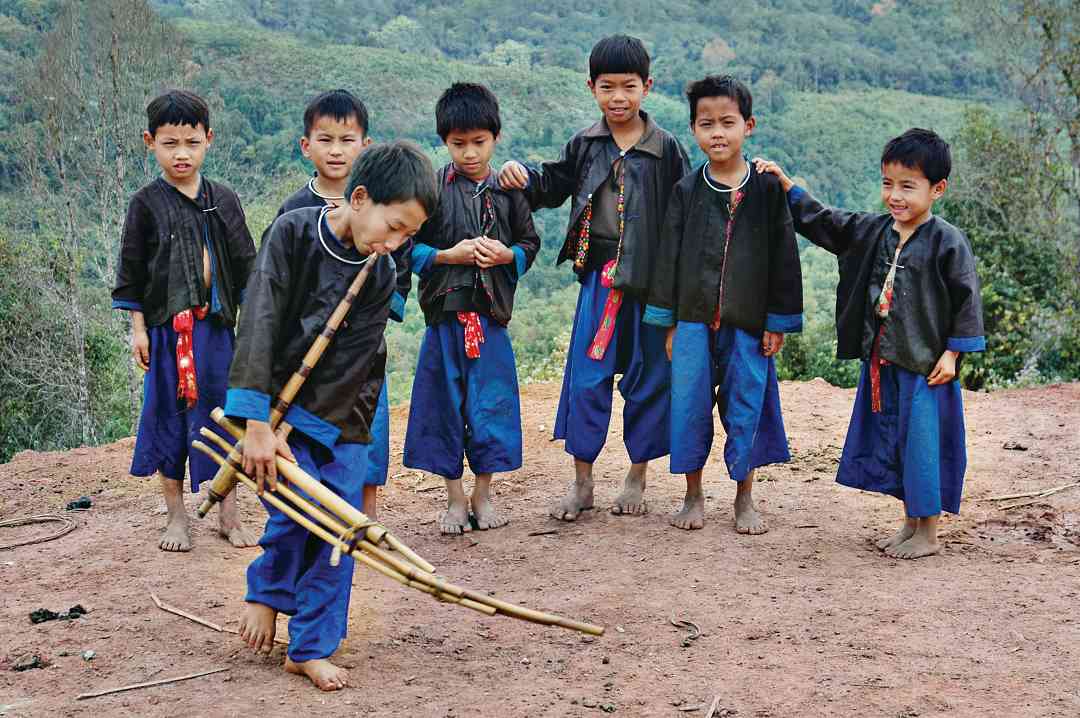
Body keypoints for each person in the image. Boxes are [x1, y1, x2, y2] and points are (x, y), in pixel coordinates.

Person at [227, 141, 437, 689]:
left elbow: (352, 364)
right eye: (392, 227)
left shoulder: (382, 272)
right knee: (292, 509)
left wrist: (293, 429)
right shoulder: (293, 234)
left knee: (339, 528)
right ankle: (267, 594)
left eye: (406, 237)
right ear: (360, 197)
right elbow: (259, 323)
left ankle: (311, 646)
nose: (393, 243)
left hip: (346, 413)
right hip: (270, 404)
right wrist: (259, 425)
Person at [755, 127, 985, 558]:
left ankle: (929, 534)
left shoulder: (947, 241)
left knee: (922, 446)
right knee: (896, 441)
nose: (895, 196)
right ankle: (909, 523)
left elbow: (966, 299)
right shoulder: (875, 230)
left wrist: (954, 353)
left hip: (924, 365)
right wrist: (787, 186)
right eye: (888, 184)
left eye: (907, 186)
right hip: (884, 359)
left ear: (937, 189)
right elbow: (828, 222)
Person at [499, 35, 689, 520]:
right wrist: (521, 175)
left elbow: (685, 216)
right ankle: (583, 483)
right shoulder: (585, 143)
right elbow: (552, 184)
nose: (619, 98)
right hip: (598, 282)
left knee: (649, 379)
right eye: (608, 87)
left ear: (648, 86)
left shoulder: (666, 149)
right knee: (586, 380)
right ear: (591, 87)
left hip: (650, 287)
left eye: (629, 87)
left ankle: (636, 476)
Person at [645, 75, 802, 532]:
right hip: (693, 320)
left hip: (749, 323)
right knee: (689, 406)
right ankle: (692, 496)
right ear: (693, 129)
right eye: (706, 123)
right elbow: (668, 258)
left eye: (727, 122)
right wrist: (669, 322)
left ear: (748, 126)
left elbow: (784, 259)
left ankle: (744, 498)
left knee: (746, 403)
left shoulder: (768, 191)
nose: (717, 133)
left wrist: (777, 321)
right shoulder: (687, 191)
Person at [112, 89, 257, 552]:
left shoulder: (224, 199)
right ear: (149, 142)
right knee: (168, 421)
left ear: (208, 140)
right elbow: (130, 273)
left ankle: (228, 516)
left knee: (224, 420)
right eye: (169, 143)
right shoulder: (146, 203)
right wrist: (138, 330)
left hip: (216, 332)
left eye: (191, 143)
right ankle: (176, 517)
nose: (181, 153)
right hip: (164, 333)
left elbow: (248, 268)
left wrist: (254, 333)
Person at [403, 83, 541, 534]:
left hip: (490, 320)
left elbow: (529, 243)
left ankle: (483, 495)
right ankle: (454, 499)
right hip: (444, 321)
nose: (469, 153)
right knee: (443, 407)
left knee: (491, 407)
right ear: (445, 141)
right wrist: (448, 256)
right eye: (458, 144)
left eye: (478, 142)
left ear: (495, 138)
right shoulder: (432, 191)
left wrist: (507, 256)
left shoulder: (509, 189)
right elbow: (407, 246)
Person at [274, 89, 407, 520]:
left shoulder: (384, 204)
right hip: (304, 352)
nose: (335, 150)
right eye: (325, 139)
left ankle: (364, 519)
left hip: (362, 351)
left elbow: (397, 262)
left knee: (367, 434)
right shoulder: (295, 211)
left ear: (364, 147)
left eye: (346, 140)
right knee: (302, 437)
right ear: (305, 145)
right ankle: (306, 518)